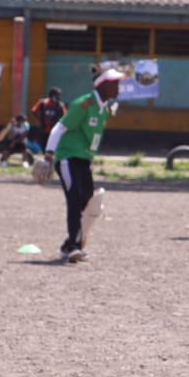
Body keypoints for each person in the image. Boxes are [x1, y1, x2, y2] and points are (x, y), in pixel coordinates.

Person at [41, 66, 125, 263]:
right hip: (67, 157)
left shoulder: (103, 108)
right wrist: (48, 155)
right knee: (75, 198)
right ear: (102, 85)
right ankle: (72, 246)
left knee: (87, 199)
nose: (118, 88)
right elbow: (59, 128)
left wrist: (90, 160)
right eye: (114, 84)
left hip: (83, 160)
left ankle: (72, 244)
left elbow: (92, 137)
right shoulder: (83, 104)